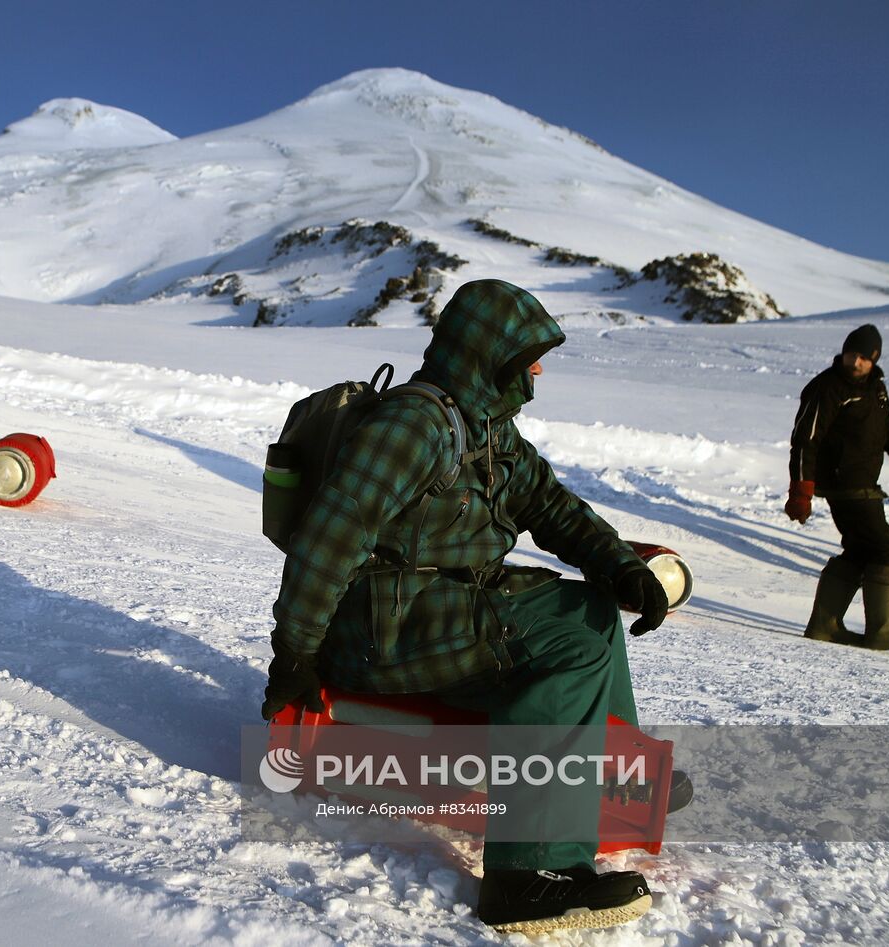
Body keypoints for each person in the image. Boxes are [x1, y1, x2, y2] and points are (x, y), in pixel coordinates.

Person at [261, 279, 668, 933]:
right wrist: (296, 655)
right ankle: (530, 874)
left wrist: (621, 565)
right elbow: (328, 538)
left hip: (435, 609)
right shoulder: (414, 425)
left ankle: (609, 773)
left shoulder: (487, 426)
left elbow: (551, 504)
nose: (537, 370)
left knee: (589, 608)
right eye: (529, 355)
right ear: (492, 354)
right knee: (572, 631)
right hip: (383, 629)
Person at [786, 324, 889, 649]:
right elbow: (804, 441)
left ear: (874, 359)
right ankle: (883, 629)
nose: (856, 363)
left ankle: (825, 625)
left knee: (859, 550)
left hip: (863, 483)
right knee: (885, 549)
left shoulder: (874, 389)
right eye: (853, 355)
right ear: (844, 352)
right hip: (845, 484)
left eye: (864, 358)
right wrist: (800, 490)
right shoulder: (827, 387)